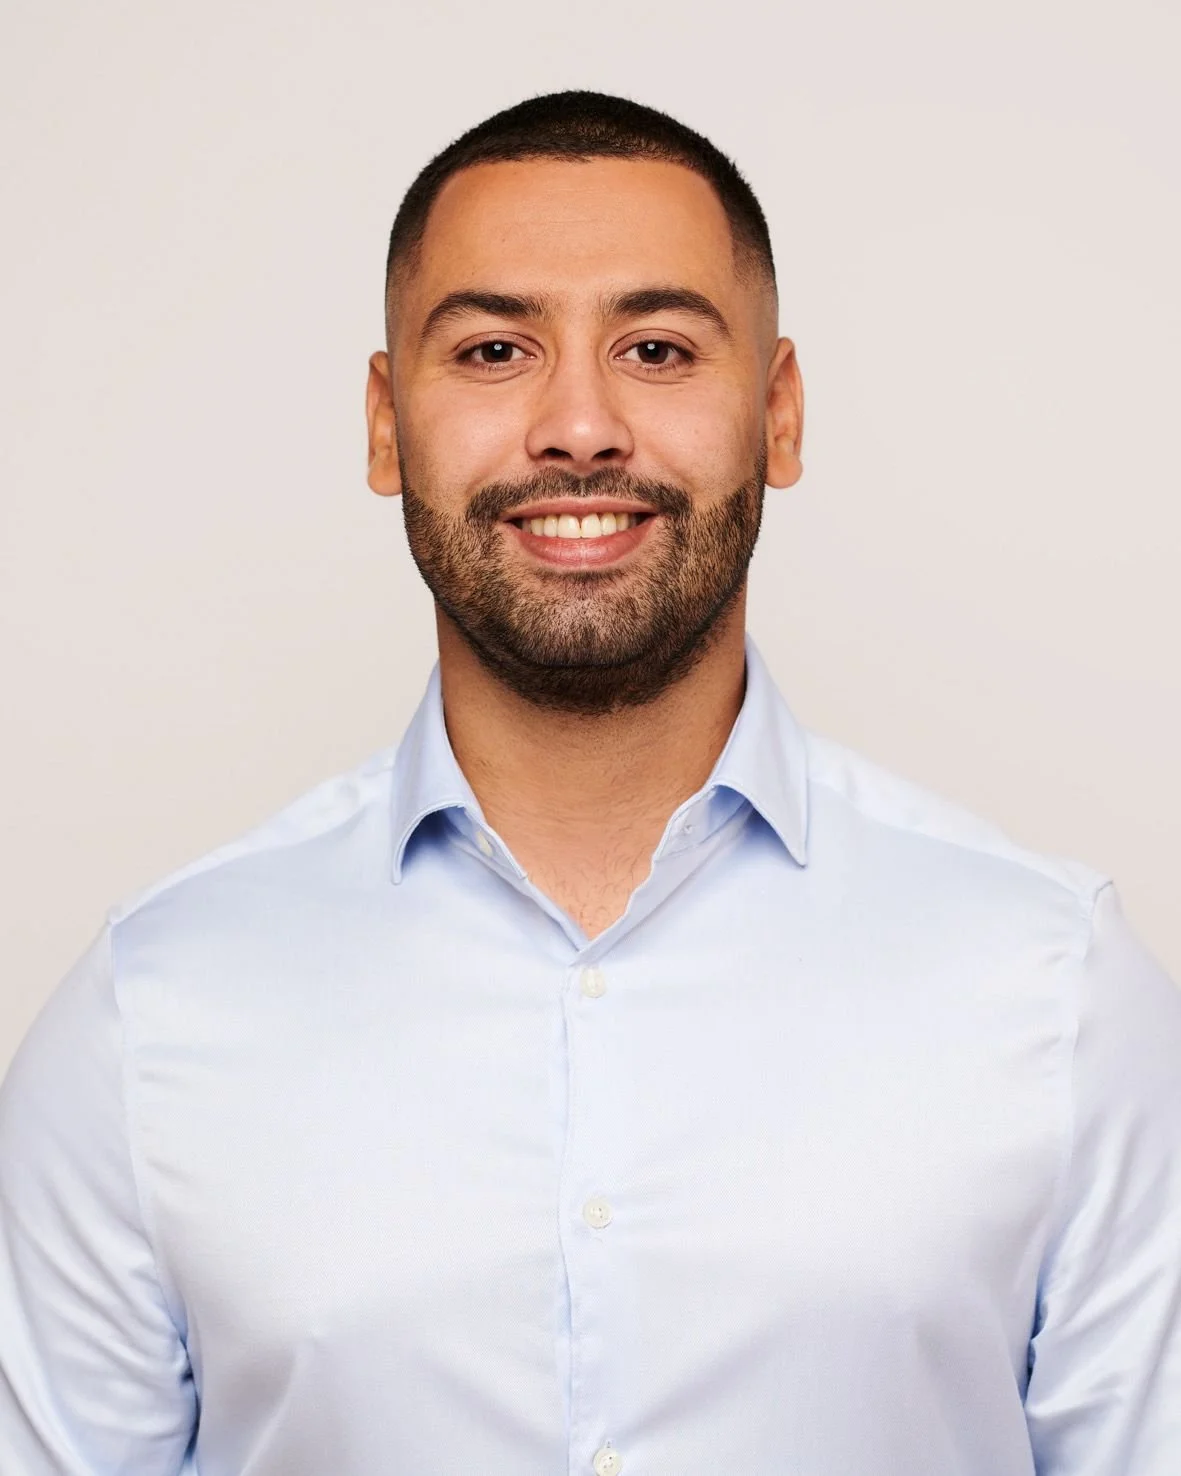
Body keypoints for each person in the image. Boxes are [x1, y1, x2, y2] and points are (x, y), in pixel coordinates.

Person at [1, 89, 1178, 1476]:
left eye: (658, 347)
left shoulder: (1053, 988)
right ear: (387, 427)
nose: (578, 426)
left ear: (779, 415)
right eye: (496, 348)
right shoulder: (148, 1019)